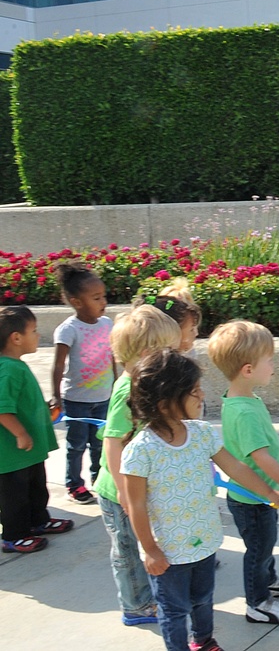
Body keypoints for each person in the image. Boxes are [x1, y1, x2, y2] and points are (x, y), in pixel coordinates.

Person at [121, 348, 279, 651]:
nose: (202, 395)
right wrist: (150, 549)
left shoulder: (201, 433)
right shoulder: (141, 450)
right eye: (193, 390)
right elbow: (135, 505)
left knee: (202, 599)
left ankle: (203, 640)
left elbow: (236, 468)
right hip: (169, 552)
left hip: (205, 540)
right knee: (174, 610)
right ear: (164, 402)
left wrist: (270, 494)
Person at [207, 320, 279, 624]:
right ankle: (257, 602)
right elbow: (260, 457)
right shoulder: (244, 412)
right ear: (248, 370)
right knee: (258, 550)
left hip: (259, 495)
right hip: (252, 499)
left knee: (266, 543)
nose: (274, 365)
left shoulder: (242, 398)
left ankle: (269, 581)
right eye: (270, 360)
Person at [92, 305, 181, 625]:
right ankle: (137, 604)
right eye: (170, 352)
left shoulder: (144, 383)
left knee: (144, 543)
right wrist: (126, 494)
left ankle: (150, 594)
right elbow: (113, 442)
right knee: (128, 550)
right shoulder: (126, 390)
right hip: (119, 493)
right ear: (147, 355)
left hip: (138, 486)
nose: (175, 358)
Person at [0, 306, 74, 553]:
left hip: (27, 452)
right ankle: (14, 536)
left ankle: (38, 521)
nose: (37, 335)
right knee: (15, 497)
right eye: (33, 331)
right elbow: (2, 407)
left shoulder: (15, 365)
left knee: (36, 489)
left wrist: (43, 410)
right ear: (16, 338)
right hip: (12, 454)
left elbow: (21, 402)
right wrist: (20, 433)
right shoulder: (8, 369)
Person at [51, 262, 115, 504]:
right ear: (76, 302)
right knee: (76, 445)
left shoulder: (107, 324)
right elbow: (58, 365)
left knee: (100, 443)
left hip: (103, 398)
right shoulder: (68, 329)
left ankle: (99, 478)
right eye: (96, 298)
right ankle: (75, 485)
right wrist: (56, 396)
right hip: (77, 400)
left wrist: (116, 384)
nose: (103, 302)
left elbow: (112, 357)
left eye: (103, 296)